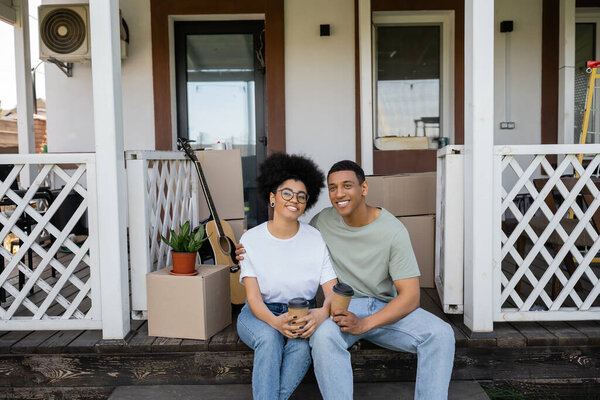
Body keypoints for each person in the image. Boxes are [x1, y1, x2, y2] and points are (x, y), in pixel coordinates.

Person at [237, 160, 455, 400]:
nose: (339, 193)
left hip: (383, 309)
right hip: (342, 308)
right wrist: (249, 243)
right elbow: (288, 238)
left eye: (347, 185)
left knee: (442, 334)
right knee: (322, 337)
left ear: (364, 188)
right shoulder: (323, 223)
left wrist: (363, 323)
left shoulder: (393, 230)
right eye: (332, 187)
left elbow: (412, 296)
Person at [236, 153, 338, 400]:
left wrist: (322, 313)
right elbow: (253, 298)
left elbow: (332, 291)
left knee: (302, 347)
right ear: (272, 197)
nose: (295, 200)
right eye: (287, 193)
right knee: (269, 340)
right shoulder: (251, 240)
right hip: (259, 313)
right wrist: (274, 322)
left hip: (300, 312)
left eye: (301, 196)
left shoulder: (315, 238)